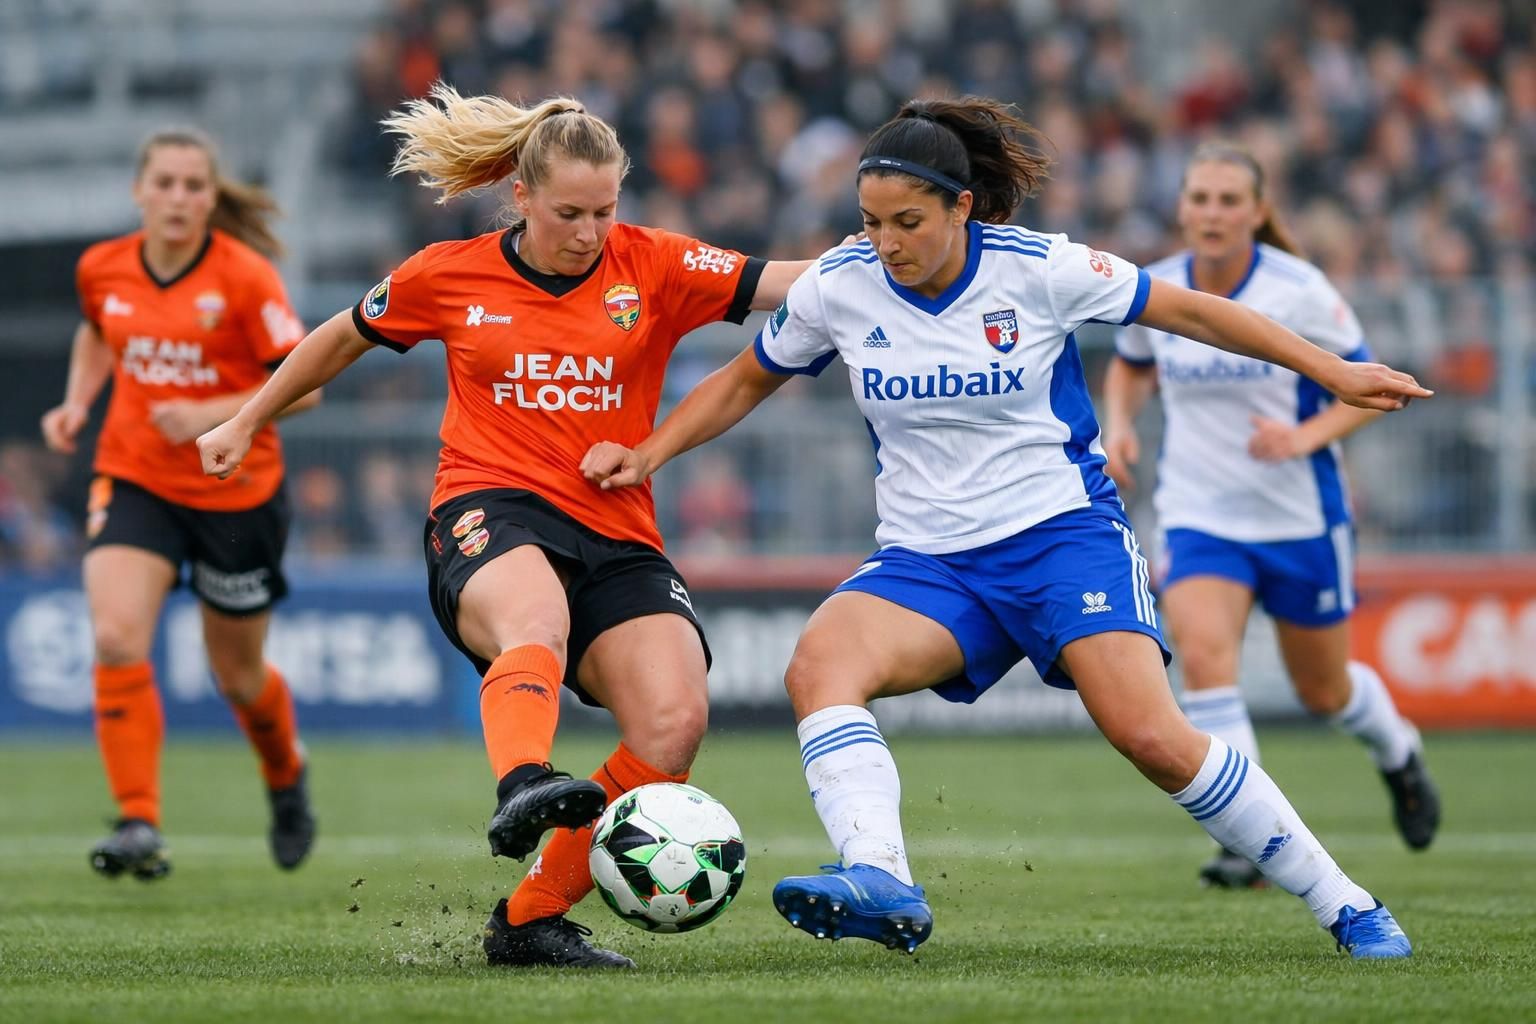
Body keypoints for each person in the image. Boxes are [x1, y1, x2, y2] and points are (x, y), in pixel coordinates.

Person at [581, 98, 1432, 960]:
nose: (887, 243)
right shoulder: (840, 286)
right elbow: (745, 379)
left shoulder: (1041, 269)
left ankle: (1349, 905)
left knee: (1153, 737)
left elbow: (1193, 313)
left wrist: (1331, 370)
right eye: (871, 222)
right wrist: (651, 453)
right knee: (821, 667)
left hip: (1061, 538)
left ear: (962, 207)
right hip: (927, 560)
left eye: (908, 222)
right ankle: (880, 876)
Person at [196, 84, 812, 969]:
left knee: (673, 723)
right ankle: (525, 781)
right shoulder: (449, 273)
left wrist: (902, 250)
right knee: (537, 625)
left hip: (617, 527)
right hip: (488, 506)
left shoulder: (656, 264)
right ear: (520, 197)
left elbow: (789, 283)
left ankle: (527, 922)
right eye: (569, 211)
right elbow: (341, 335)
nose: (590, 231)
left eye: (605, 210)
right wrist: (247, 418)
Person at [1103, 142, 1441, 891]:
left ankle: (1399, 754)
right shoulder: (1154, 286)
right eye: (1200, 199)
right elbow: (1130, 364)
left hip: (1298, 519)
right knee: (1207, 660)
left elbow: (1370, 390)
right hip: (1198, 514)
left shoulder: (1300, 290)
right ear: (1182, 207)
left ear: (1258, 211)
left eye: (1229, 200)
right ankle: (1247, 840)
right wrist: (1119, 423)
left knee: (1325, 693)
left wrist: (1304, 436)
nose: (1212, 213)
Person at [39, 128, 319, 881]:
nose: (177, 198)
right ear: (140, 191)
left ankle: (286, 775)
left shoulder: (245, 277)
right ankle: (138, 820)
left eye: (193, 186)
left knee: (238, 677)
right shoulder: (102, 267)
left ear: (210, 197)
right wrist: (76, 403)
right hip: (135, 477)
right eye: (164, 183)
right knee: (117, 633)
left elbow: (308, 384)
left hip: (237, 493)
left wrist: (212, 415)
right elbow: (99, 333)